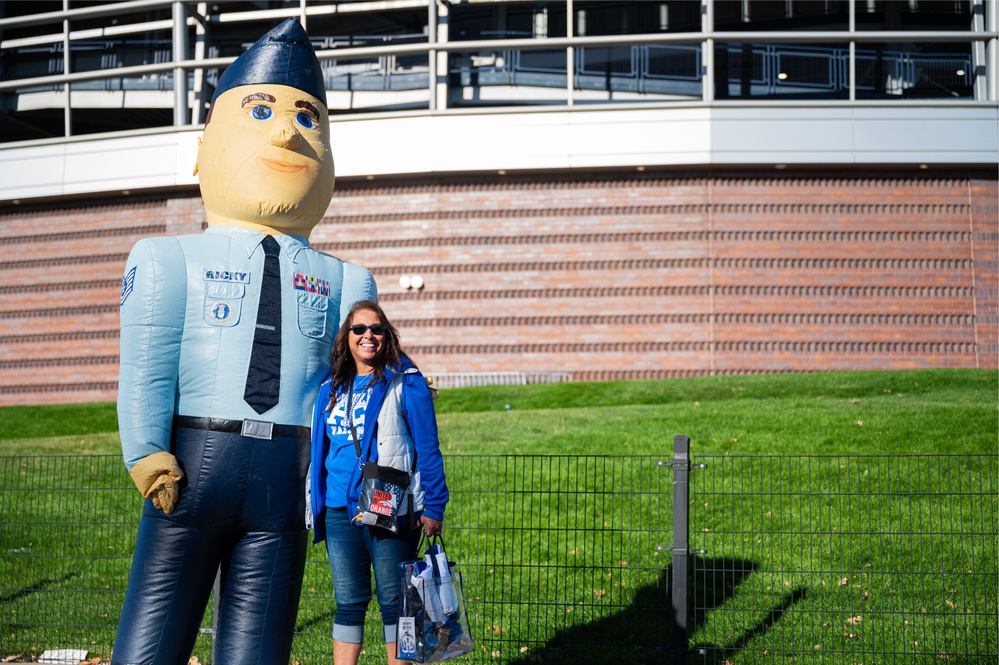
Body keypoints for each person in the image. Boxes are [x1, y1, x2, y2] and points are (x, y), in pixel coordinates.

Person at [112, 18, 376, 665]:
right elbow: (146, 363)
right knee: (153, 633)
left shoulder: (346, 281)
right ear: (204, 149)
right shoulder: (167, 259)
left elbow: (354, 388)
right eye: (260, 111)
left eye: (306, 117)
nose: (286, 131)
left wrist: (350, 478)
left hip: (288, 476)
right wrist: (145, 449)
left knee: (260, 646)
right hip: (192, 466)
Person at [309, 300, 449, 665]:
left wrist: (434, 505)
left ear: (387, 335)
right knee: (348, 602)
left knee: (395, 601)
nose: (368, 336)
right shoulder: (330, 386)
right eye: (359, 329)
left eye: (376, 329)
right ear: (347, 337)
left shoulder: (407, 382)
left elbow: (428, 448)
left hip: (389, 504)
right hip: (340, 510)